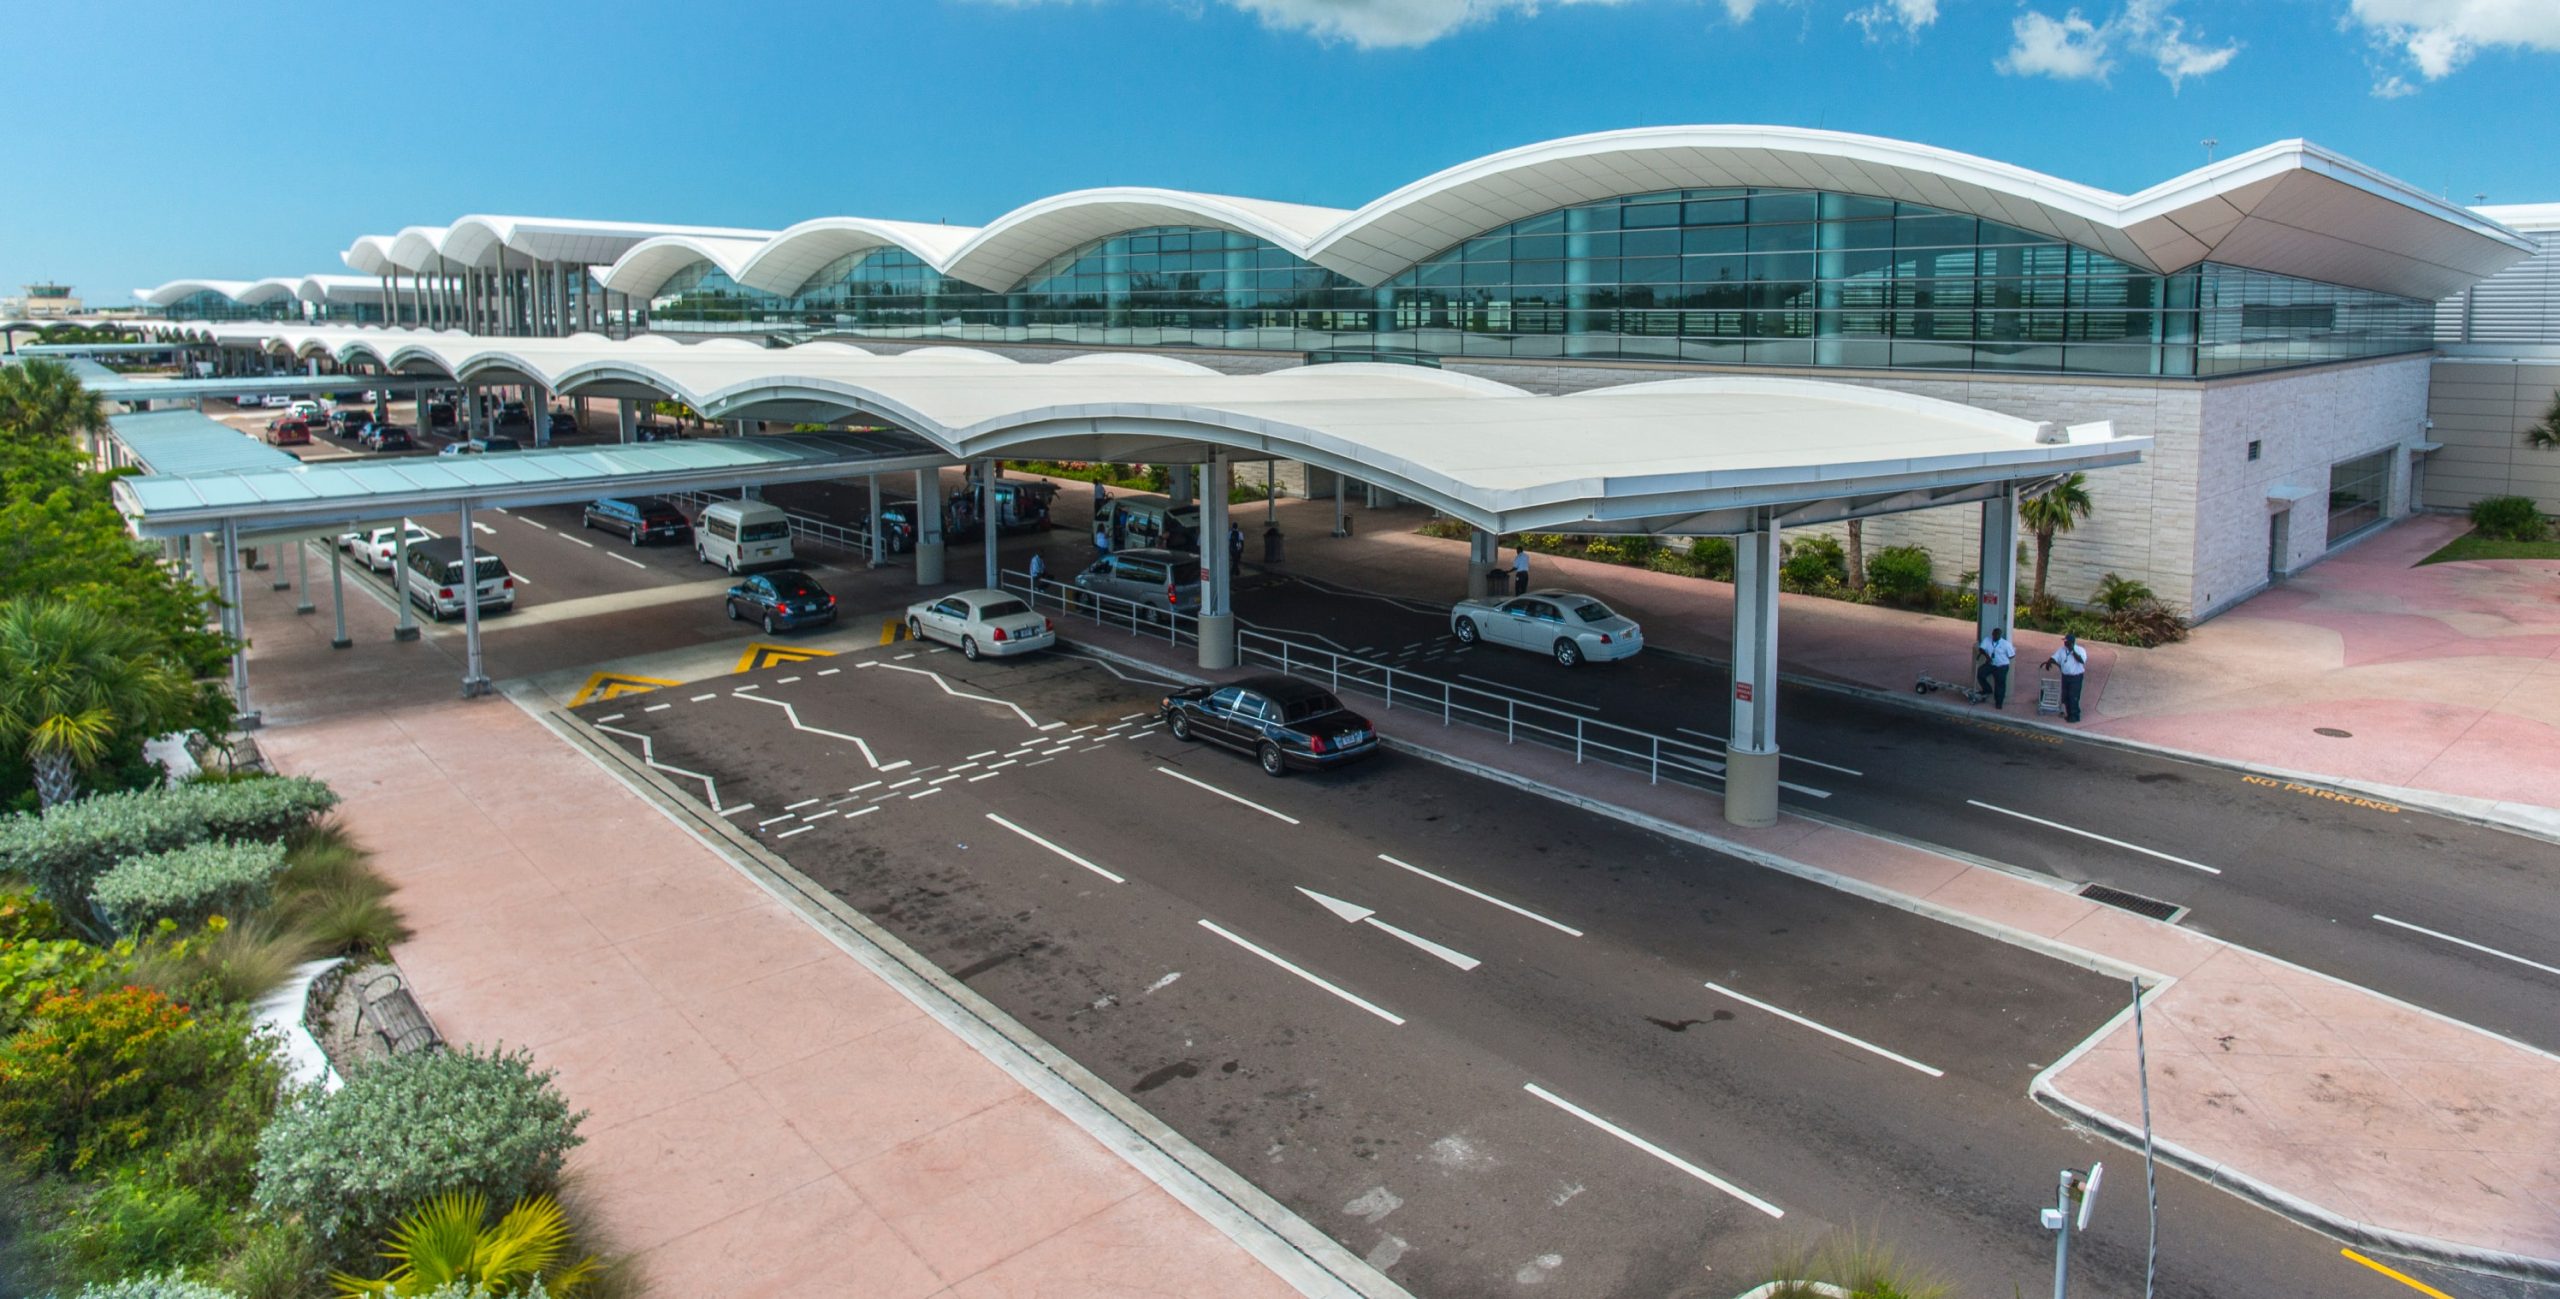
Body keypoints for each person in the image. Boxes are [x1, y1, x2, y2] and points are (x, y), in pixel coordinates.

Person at [2043, 631, 2088, 722]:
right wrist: (2049, 662)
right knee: (2065, 696)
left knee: (2073, 696)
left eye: (2066, 641)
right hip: (2065, 677)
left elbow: (2082, 660)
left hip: (2076, 677)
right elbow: (2054, 657)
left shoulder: (2080, 650)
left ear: (2071, 643)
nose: (2064, 643)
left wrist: (2073, 651)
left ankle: (2075, 716)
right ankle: (2069, 714)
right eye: (2064, 641)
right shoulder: (2062, 650)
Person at [1976, 626, 2015, 709]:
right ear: (1992, 634)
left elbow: (2011, 656)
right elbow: (1981, 649)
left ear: (2000, 635)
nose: (1995, 637)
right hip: (1991, 664)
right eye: (1994, 635)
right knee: (1980, 673)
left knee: (2000, 684)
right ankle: (1987, 689)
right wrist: (1987, 657)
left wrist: (2001, 657)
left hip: (2001, 666)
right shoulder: (1987, 640)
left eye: (1997, 635)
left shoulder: (2006, 644)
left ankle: (1999, 702)